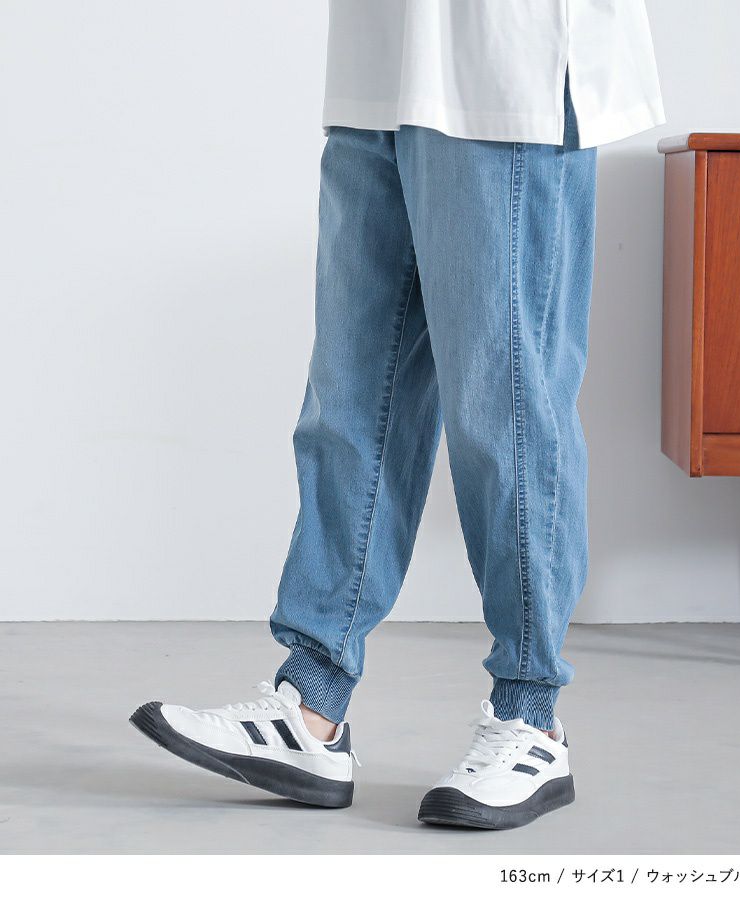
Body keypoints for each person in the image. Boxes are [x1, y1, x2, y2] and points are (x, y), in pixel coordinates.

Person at [131, 1, 664, 829]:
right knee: (349, 404)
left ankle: (532, 717)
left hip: (505, 68)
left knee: (506, 413)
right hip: (377, 64)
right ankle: (312, 705)